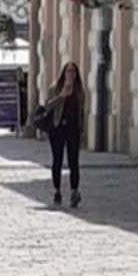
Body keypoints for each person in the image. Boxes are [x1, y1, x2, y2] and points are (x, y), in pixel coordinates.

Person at [42, 62, 84, 208]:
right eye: (68, 71)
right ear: (63, 73)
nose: (71, 74)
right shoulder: (55, 88)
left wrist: (82, 129)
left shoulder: (79, 91)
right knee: (57, 161)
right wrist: (62, 96)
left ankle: (74, 191)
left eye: (73, 72)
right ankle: (57, 190)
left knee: (74, 162)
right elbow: (47, 106)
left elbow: (82, 111)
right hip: (57, 128)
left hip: (73, 129)